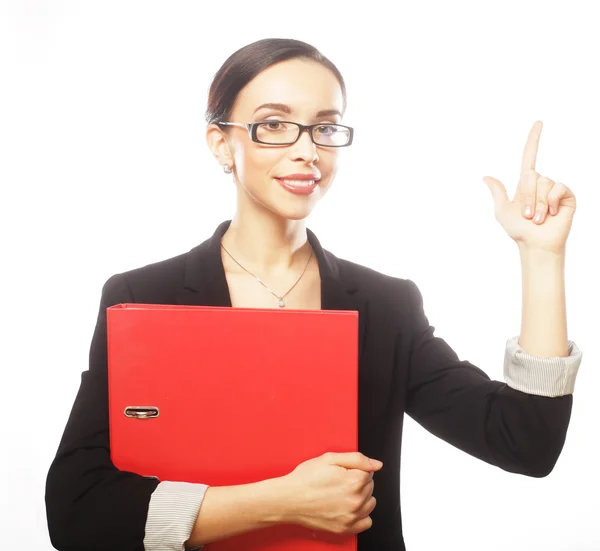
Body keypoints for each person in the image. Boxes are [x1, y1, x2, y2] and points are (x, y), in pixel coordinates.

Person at [45, 38, 583, 551]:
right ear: (221, 144)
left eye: (324, 128)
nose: (307, 150)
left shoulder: (385, 305)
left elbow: (524, 442)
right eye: (274, 125)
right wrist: (279, 503)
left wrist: (541, 256)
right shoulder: (145, 297)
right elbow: (77, 508)